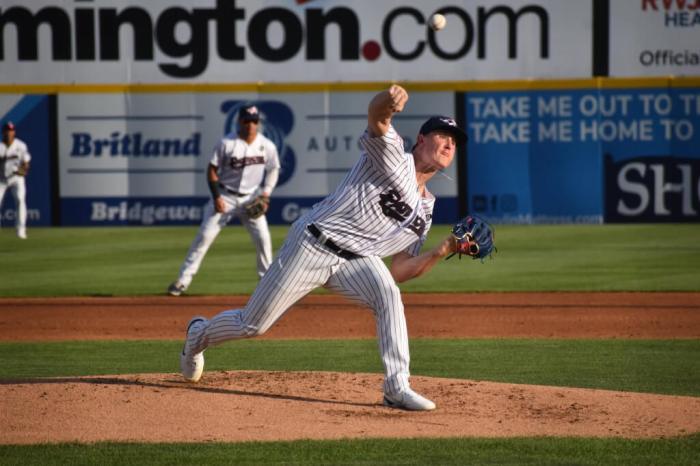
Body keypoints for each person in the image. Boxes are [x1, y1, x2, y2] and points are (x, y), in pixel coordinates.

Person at [179, 85, 467, 411]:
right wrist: (387, 102)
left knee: (388, 294)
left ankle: (396, 387)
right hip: (314, 242)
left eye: (454, 141)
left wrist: (442, 250)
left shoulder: (427, 209)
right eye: (442, 135)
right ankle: (197, 336)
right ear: (421, 138)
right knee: (253, 324)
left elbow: (400, 269)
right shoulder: (393, 155)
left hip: (356, 260)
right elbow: (377, 117)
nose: (448, 143)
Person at [167, 105, 281, 296]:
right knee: (204, 237)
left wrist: (266, 193)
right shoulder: (226, 143)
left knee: (263, 239)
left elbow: (274, 169)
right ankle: (182, 281)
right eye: (247, 120)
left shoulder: (267, 146)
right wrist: (216, 197)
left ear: (258, 123)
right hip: (225, 196)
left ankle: (266, 283)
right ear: (239, 121)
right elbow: (212, 169)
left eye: (254, 121)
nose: (251, 124)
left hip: (250, 198)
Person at [0, 121, 31, 240]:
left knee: (20, 199)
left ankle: (21, 230)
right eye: (7, 130)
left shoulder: (21, 145)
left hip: (17, 178)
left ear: (14, 132)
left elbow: (26, 162)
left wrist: (23, 170)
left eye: (11, 130)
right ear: (3, 132)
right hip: (1, 179)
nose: (9, 133)